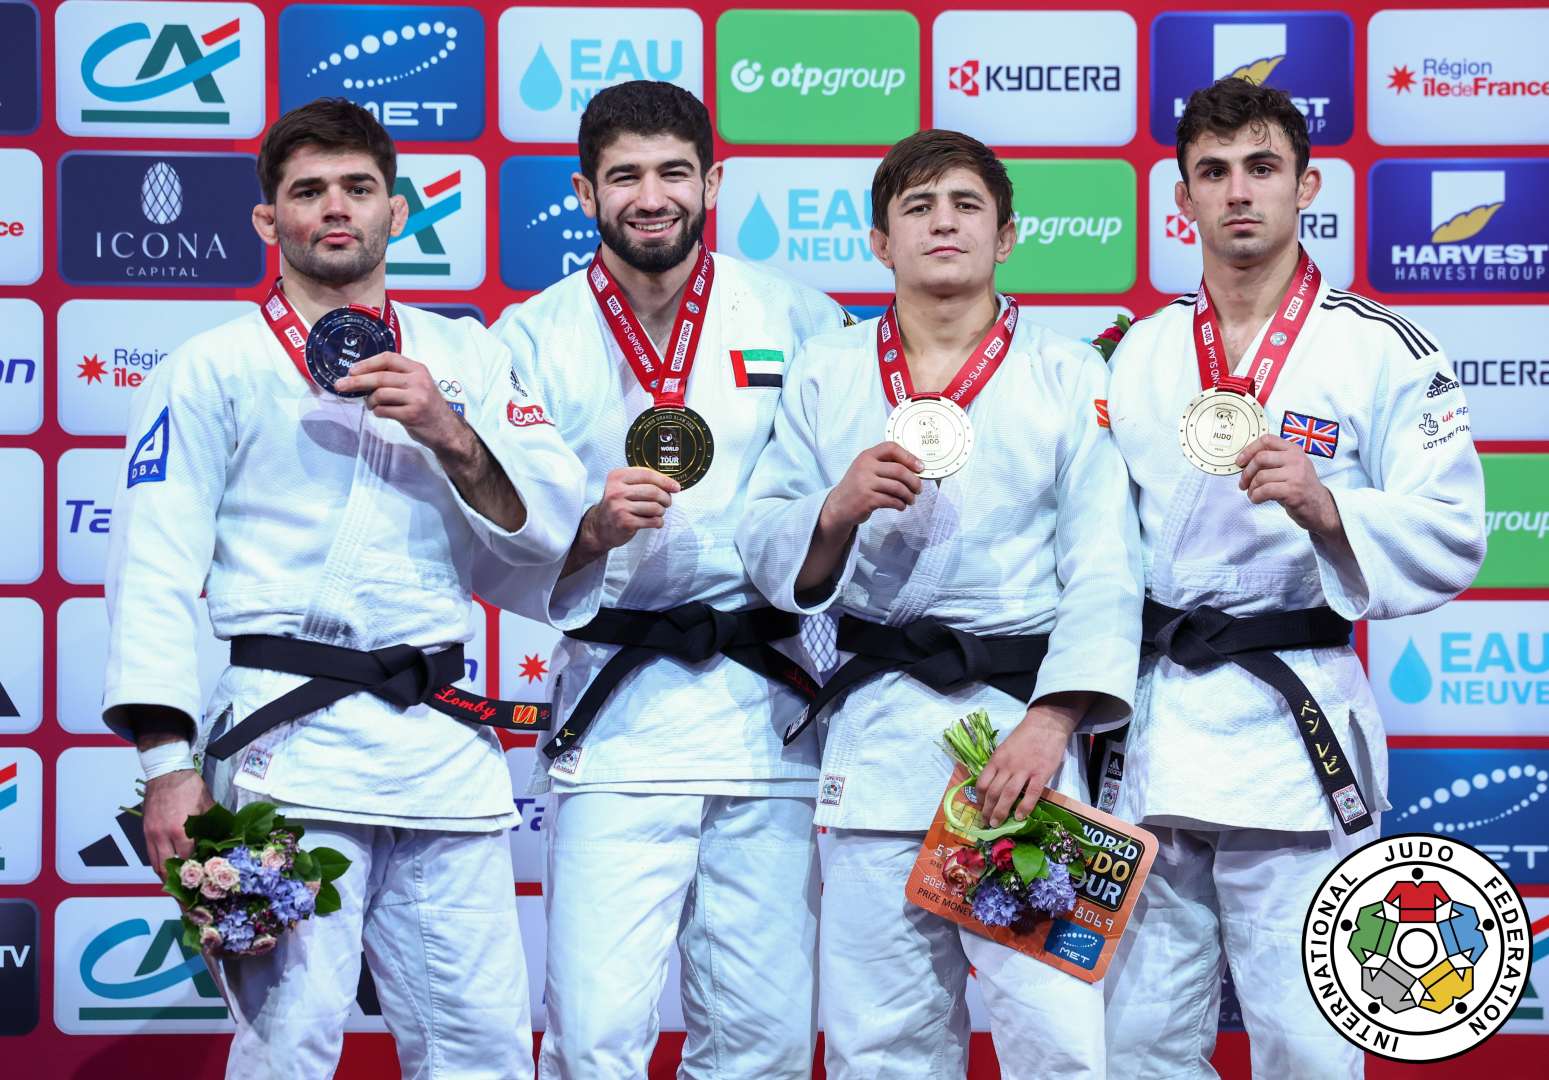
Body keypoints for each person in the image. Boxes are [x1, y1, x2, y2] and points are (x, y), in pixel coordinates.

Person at [103, 98, 587, 1080]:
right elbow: (152, 562)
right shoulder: (212, 368)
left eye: (358, 189)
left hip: (441, 751)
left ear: (395, 212)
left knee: (482, 1049)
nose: (336, 209)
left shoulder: (463, 356)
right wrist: (165, 763)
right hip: (286, 754)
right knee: (287, 1048)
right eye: (308, 190)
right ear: (266, 220)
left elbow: (550, 529)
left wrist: (450, 431)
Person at [1099, 77, 1487, 1078]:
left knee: (1309, 1046)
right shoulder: (1134, 354)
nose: (1238, 193)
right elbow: (1095, 551)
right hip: (1151, 732)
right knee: (1137, 1042)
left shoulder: (1381, 351)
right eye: (1212, 173)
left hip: (1294, 733)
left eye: (1261, 169)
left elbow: (1453, 532)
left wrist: (1329, 508)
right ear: (1177, 198)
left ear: (1307, 185)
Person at [736, 129, 1143, 1080]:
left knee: (1059, 1038)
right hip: (876, 738)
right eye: (916, 208)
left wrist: (1054, 719)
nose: (942, 222)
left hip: (1021, 748)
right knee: (882, 1047)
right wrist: (830, 511)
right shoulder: (829, 370)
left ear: (1006, 235)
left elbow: (1105, 565)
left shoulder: (1067, 372)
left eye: (964, 204)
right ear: (879, 243)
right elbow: (763, 537)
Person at [494, 81, 849, 1079]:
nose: (651, 196)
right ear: (583, 191)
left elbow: (828, 510)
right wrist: (591, 530)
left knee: (766, 1040)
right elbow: (504, 534)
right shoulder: (533, 335)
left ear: (714, 181)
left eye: (672, 172)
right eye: (624, 176)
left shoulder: (798, 315)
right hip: (618, 722)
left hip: (766, 715)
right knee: (596, 1034)